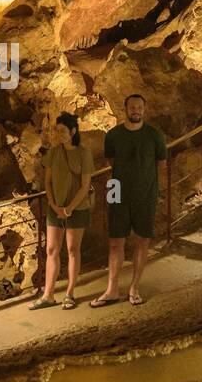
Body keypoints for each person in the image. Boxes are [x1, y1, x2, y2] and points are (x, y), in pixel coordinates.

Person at [91, 93, 167, 308]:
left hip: (146, 194)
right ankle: (112, 289)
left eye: (139, 107)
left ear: (144, 109)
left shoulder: (154, 135)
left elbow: (161, 162)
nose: (136, 110)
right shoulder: (113, 135)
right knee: (115, 241)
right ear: (125, 109)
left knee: (142, 240)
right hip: (117, 191)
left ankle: (134, 287)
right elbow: (112, 160)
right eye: (132, 107)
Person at [31, 112, 93, 310]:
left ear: (73, 131)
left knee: (73, 250)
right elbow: (47, 181)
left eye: (63, 131)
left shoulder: (83, 153)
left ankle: (70, 293)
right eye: (57, 131)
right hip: (55, 208)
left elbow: (85, 185)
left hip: (77, 208)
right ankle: (48, 294)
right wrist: (54, 204)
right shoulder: (54, 152)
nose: (59, 135)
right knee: (51, 249)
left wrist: (68, 209)